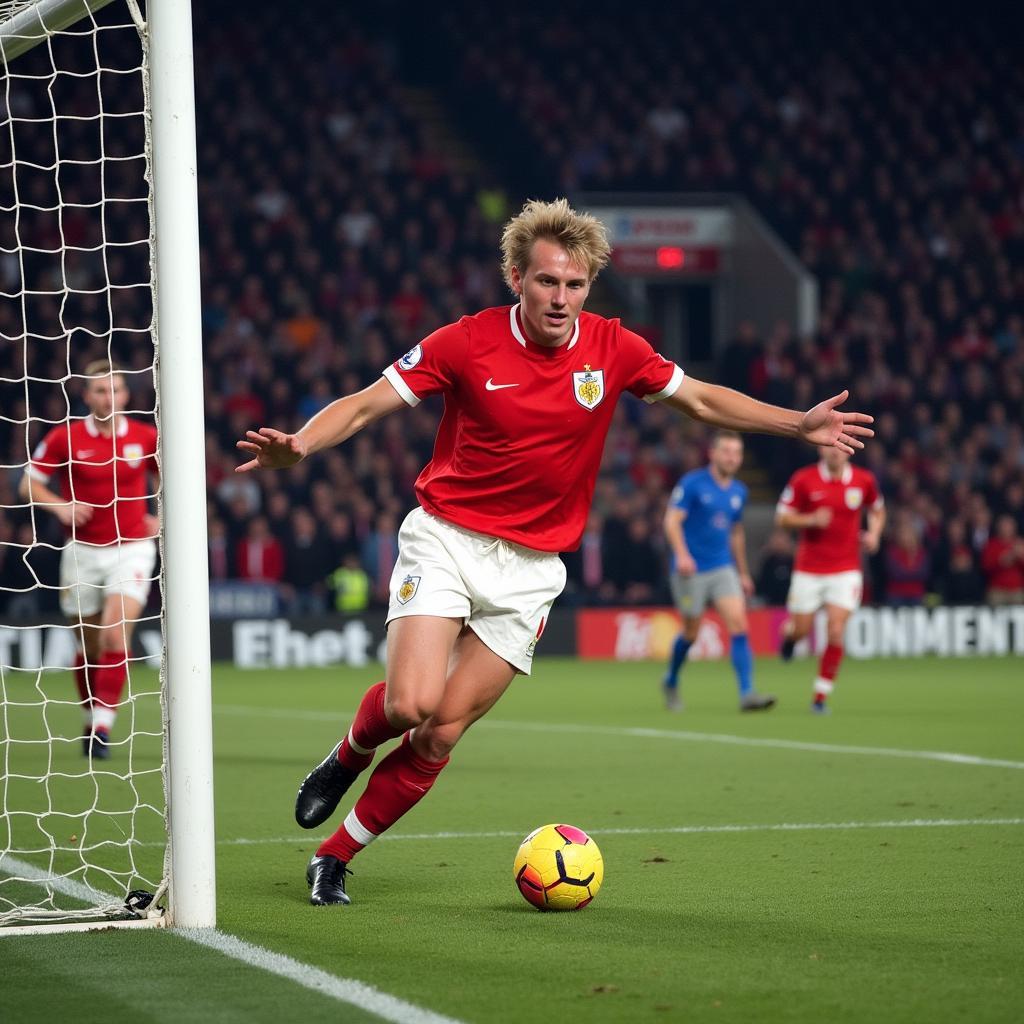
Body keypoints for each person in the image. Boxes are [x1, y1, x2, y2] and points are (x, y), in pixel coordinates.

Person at [236, 198, 873, 906]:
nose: (561, 298)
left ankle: (334, 856)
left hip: (534, 569)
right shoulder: (464, 342)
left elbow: (698, 400)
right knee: (413, 702)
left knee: (442, 732)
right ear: (517, 277)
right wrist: (301, 444)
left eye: (574, 285)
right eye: (546, 282)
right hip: (447, 537)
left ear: (589, 286)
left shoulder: (615, 348)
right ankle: (346, 756)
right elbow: (361, 404)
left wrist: (797, 424)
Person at [20, 360, 159, 758]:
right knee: (90, 645)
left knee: (116, 635)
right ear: (86, 396)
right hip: (81, 551)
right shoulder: (65, 437)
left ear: (126, 395)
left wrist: (160, 517)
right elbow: (28, 483)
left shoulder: (145, 436)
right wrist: (60, 506)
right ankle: (90, 715)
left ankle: (102, 727)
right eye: (100, 391)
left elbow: (166, 474)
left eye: (115, 390)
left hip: (131, 547)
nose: (108, 397)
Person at [661, 431, 776, 712]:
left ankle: (747, 693)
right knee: (691, 632)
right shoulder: (692, 484)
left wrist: (744, 573)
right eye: (726, 451)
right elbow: (671, 521)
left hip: (722, 567)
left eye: (737, 453)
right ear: (712, 453)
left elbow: (736, 533)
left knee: (739, 624)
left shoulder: (739, 491)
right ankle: (671, 680)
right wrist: (683, 555)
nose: (732, 458)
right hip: (690, 571)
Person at [775, 447, 884, 713]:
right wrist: (810, 519)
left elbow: (878, 510)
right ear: (820, 448)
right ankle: (790, 637)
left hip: (846, 569)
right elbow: (782, 518)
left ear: (849, 451)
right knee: (801, 630)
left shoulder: (864, 480)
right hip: (809, 570)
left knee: (835, 630)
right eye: (829, 446)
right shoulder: (803, 479)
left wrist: (875, 535)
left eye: (840, 447)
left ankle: (820, 697)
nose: (835, 452)